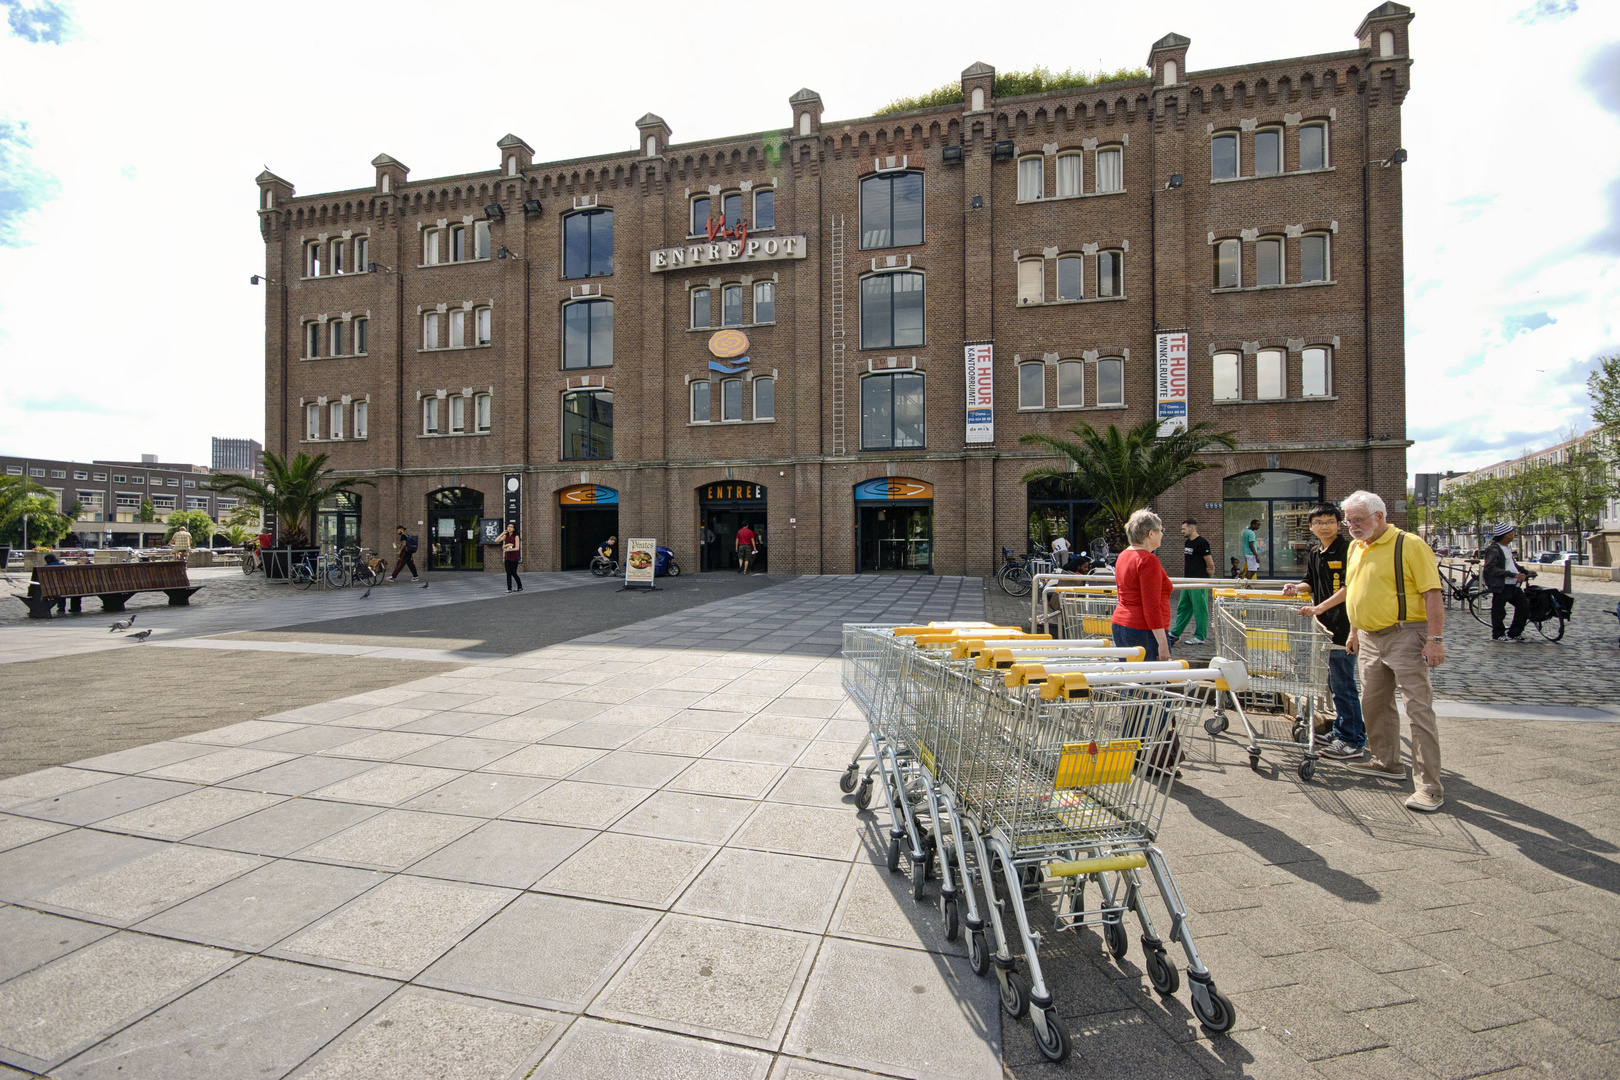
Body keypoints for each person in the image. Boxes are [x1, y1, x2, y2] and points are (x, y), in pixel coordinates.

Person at [1326, 490, 1447, 813]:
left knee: (1417, 709)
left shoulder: (1409, 545)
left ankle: (1429, 787)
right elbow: (1356, 589)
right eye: (1348, 520)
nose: (1351, 526)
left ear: (1379, 516)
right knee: (1373, 704)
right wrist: (1354, 629)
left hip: (1405, 633)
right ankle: (1386, 762)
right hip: (1368, 636)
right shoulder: (1356, 547)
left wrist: (1435, 638)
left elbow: (1432, 593)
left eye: (1358, 520)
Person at [1285, 503, 1366, 761]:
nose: (1324, 526)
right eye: (1319, 522)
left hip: (1344, 624)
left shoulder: (1348, 549)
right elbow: (1310, 581)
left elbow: (1349, 587)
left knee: (1343, 683)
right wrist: (1295, 588)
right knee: (1334, 680)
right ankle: (1343, 729)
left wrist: (1320, 607)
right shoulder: (1315, 552)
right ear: (1311, 527)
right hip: (1324, 626)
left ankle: (1352, 739)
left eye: (1330, 521)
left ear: (1339, 523)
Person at [1110, 510, 1174, 661]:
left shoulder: (1124, 555)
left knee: (1131, 679)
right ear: (1151, 533)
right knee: (1151, 682)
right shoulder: (1148, 560)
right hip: (1144, 629)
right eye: (1160, 530)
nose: (1162, 534)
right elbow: (1151, 605)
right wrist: (1163, 644)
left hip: (1121, 623)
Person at [1482, 523, 1532, 642]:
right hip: (1502, 585)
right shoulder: (1494, 549)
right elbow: (1490, 568)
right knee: (1499, 611)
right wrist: (1512, 574)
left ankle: (1514, 632)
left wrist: (1524, 571)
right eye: (1510, 534)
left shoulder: (1506, 549)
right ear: (1503, 536)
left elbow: (1511, 564)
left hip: (1513, 584)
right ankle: (1498, 634)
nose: (1512, 536)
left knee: (1524, 607)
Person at [1169, 519, 1214, 645]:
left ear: (1192, 528)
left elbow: (1209, 563)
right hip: (1187, 580)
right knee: (1184, 607)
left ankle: (1200, 636)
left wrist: (1209, 579)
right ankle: (1175, 633)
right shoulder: (1188, 542)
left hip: (1199, 581)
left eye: (1184, 529)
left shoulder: (1202, 543)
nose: (1182, 531)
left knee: (1200, 609)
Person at [501, 525, 523, 592]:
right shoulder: (506, 536)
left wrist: (508, 550)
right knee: (508, 573)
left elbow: (517, 548)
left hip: (514, 557)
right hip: (507, 557)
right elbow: (496, 540)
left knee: (513, 572)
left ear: (514, 529)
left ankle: (520, 586)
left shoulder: (516, 536)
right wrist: (502, 533)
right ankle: (509, 588)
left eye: (511, 527)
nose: (509, 528)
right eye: (508, 527)